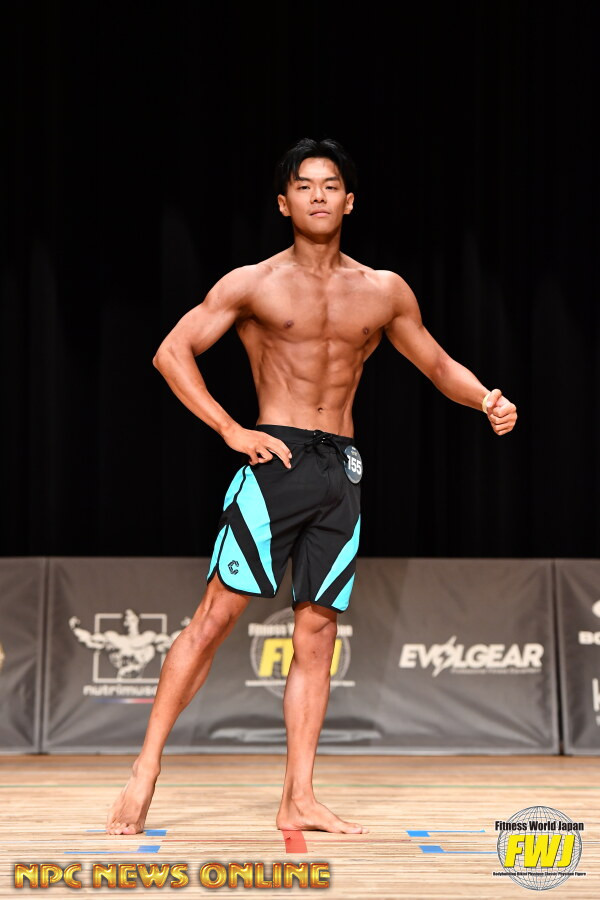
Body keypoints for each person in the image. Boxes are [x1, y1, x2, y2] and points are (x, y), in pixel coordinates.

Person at [106, 138, 517, 837]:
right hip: (276, 463)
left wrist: (485, 399)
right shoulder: (254, 283)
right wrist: (231, 429)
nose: (318, 195)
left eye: (330, 185)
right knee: (214, 619)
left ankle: (298, 796)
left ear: (350, 201)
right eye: (304, 185)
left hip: (342, 470)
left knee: (318, 633)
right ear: (283, 202)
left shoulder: (384, 291)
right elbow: (171, 352)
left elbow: (437, 363)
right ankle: (145, 768)